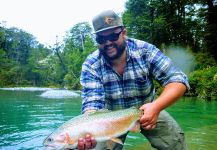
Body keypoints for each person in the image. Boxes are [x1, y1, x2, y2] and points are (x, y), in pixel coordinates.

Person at [78, 10, 190, 150]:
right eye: (101, 39)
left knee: (175, 142)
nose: (108, 43)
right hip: (109, 118)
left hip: (147, 109)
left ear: (124, 33)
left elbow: (178, 79)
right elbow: (92, 105)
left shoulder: (145, 51)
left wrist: (156, 107)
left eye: (113, 36)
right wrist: (87, 132)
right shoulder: (91, 65)